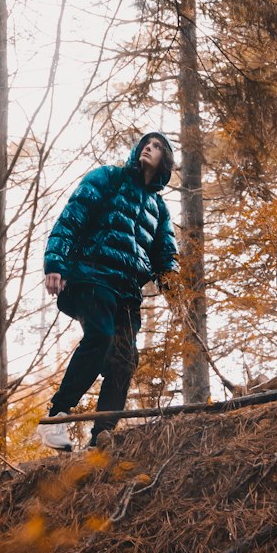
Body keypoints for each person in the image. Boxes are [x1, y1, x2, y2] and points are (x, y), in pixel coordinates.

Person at [38, 132, 179, 451]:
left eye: (157, 147)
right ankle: (55, 417)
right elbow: (71, 218)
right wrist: (55, 263)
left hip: (127, 293)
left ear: (164, 161)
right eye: (146, 143)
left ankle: (102, 436)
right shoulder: (108, 178)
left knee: (124, 359)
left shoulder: (159, 209)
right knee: (100, 336)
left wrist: (175, 292)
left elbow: (165, 257)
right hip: (91, 276)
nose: (148, 147)